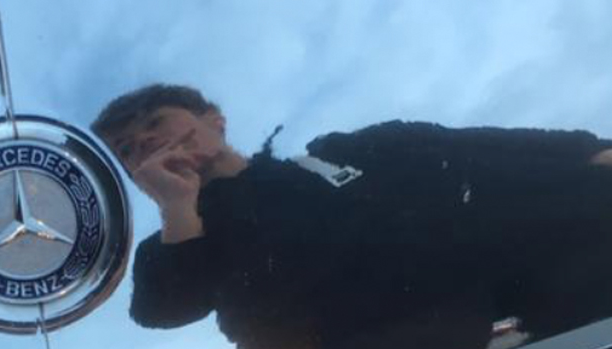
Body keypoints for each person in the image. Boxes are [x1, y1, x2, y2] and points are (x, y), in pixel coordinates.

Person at [92, 84, 612, 349]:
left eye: (156, 122)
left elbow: (474, 151)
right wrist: (178, 207)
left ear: (215, 120)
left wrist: (589, 152)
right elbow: (166, 308)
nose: (147, 143)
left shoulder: (345, 153)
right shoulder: (180, 239)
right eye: (128, 149)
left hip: (539, 307)